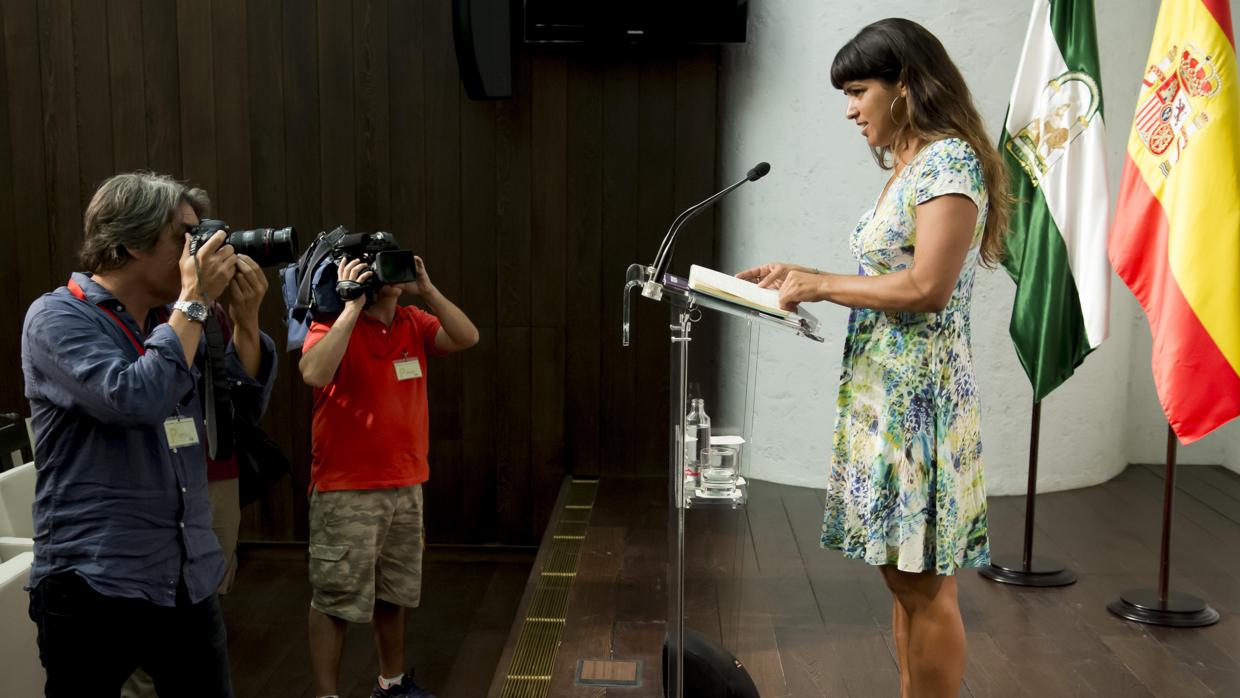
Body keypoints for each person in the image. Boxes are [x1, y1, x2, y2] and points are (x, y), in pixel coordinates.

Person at [737, 18, 1013, 698]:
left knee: (924, 585)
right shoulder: (910, 165)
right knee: (901, 578)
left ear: (907, 85)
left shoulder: (949, 163)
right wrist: (800, 273)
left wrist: (823, 286)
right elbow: (892, 272)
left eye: (859, 90)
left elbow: (928, 287)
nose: (850, 108)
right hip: (885, 398)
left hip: (920, 402)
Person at [21, 172, 277, 697]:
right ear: (132, 242)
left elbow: (238, 413)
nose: (201, 250)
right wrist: (193, 302)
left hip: (186, 572)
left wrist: (246, 324)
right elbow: (133, 398)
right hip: (95, 578)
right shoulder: (56, 317)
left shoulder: (179, 319)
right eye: (186, 236)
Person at [299, 255, 479, 698]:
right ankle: (327, 695)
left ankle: (393, 684)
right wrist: (350, 306)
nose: (393, 274)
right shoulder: (332, 322)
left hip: (405, 483)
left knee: (394, 593)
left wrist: (429, 289)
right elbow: (314, 372)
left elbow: (467, 336)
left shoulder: (413, 321)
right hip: (347, 488)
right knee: (334, 600)